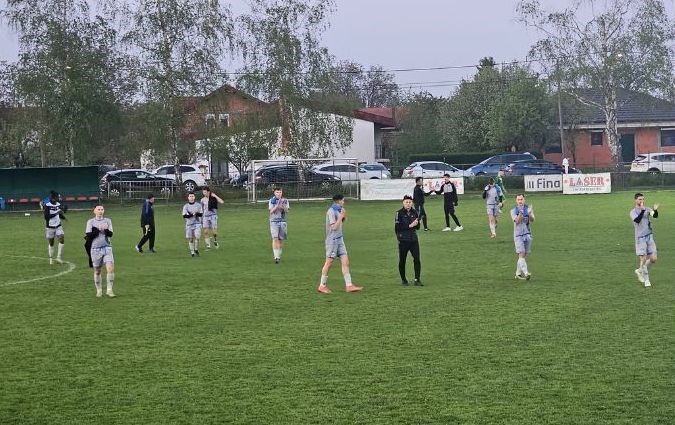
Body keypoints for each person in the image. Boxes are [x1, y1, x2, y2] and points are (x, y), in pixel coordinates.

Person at [317, 194, 363, 294]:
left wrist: (343, 216)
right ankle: (322, 285)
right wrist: (341, 216)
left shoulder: (339, 210)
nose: (344, 202)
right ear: (338, 201)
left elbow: (341, 222)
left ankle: (349, 285)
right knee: (329, 263)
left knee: (345, 261)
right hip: (332, 241)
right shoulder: (331, 211)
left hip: (340, 239)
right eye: (343, 200)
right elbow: (334, 227)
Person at [85, 205, 115, 297]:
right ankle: (99, 290)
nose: (100, 211)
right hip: (95, 249)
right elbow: (89, 235)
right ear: (94, 211)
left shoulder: (108, 221)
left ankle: (109, 290)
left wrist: (105, 229)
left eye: (102, 209)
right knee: (97, 271)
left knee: (110, 269)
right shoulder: (90, 222)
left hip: (107, 248)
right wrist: (98, 229)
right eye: (98, 209)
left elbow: (110, 234)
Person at [630, 193, 659, 287]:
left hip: (649, 236)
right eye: (640, 199)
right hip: (640, 238)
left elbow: (655, 216)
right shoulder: (633, 212)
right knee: (643, 259)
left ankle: (640, 270)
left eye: (643, 199)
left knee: (653, 259)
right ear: (635, 200)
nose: (642, 201)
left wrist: (655, 210)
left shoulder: (647, 209)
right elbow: (637, 220)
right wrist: (642, 211)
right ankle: (647, 280)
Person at [395, 195, 422, 286]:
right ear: (403, 203)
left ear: (412, 203)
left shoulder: (415, 212)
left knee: (417, 259)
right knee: (402, 260)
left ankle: (417, 279)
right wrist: (409, 226)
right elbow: (397, 228)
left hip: (413, 240)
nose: (408, 204)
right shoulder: (399, 213)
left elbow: (417, 228)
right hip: (403, 240)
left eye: (410, 202)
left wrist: (417, 223)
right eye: (406, 202)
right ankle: (404, 280)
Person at [510, 194, 535, 280]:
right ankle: (526, 273)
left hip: (527, 234)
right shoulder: (513, 211)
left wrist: (530, 213)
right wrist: (520, 213)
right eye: (518, 199)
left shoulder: (528, 208)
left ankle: (518, 274)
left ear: (524, 200)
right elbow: (517, 221)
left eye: (521, 199)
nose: (520, 201)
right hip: (518, 235)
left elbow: (532, 220)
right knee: (521, 253)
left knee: (523, 255)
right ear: (516, 201)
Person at [43, 190, 66, 265]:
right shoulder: (47, 205)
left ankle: (59, 257)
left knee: (61, 239)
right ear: (54, 198)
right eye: (57, 197)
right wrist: (57, 213)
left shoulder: (59, 204)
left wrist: (63, 214)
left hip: (58, 226)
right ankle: (51, 259)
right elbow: (46, 217)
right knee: (51, 243)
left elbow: (59, 214)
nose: (59, 198)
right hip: (50, 227)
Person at [268, 187, 289, 263]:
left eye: (280, 192)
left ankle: (278, 256)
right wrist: (277, 205)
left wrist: (283, 205)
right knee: (275, 238)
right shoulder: (272, 200)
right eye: (277, 192)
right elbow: (271, 211)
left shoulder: (285, 200)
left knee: (280, 240)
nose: (279, 194)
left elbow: (287, 211)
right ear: (274, 193)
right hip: (274, 222)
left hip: (282, 222)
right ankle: (276, 257)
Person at [182, 192, 203, 257]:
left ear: (194, 197)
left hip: (197, 223)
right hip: (189, 224)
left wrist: (195, 213)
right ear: (188, 198)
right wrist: (192, 214)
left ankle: (196, 249)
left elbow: (201, 214)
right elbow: (184, 216)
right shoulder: (186, 206)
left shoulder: (198, 205)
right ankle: (192, 252)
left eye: (192, 196)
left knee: (197, 236)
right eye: (190, 196)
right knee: (190, 239)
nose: (191, 197)